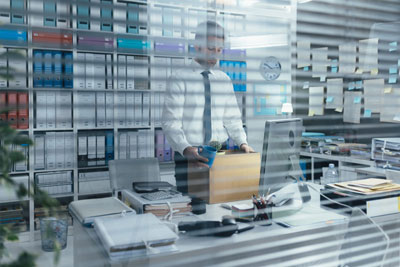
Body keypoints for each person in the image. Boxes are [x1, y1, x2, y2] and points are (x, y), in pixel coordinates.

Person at [162, 20, 254, 194]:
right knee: (190, 208)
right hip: (189, 154)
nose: (215, 55)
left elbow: (232, 119)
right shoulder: (179, 78)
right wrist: (186, 150)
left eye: (219, 50)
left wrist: (243, 142)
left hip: (220, 153)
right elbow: (170, 123)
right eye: (211, 49)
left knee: (221, 204)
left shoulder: (224, 80)